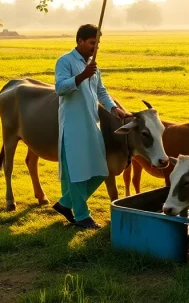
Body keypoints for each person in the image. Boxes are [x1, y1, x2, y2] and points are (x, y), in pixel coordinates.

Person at [52, 24, 129, 229]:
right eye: (92, 43)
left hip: (92, 124)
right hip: (73, 126)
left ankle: (65, 203)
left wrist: (113, 108)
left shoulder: (94, 67)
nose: (95, 48)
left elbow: (101, 92)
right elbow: (60, 88)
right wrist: (82, 76)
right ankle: (83, 216)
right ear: (80, 41)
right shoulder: (65, 61)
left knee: (101, 170)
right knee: (77, 172)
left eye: (98, 44)